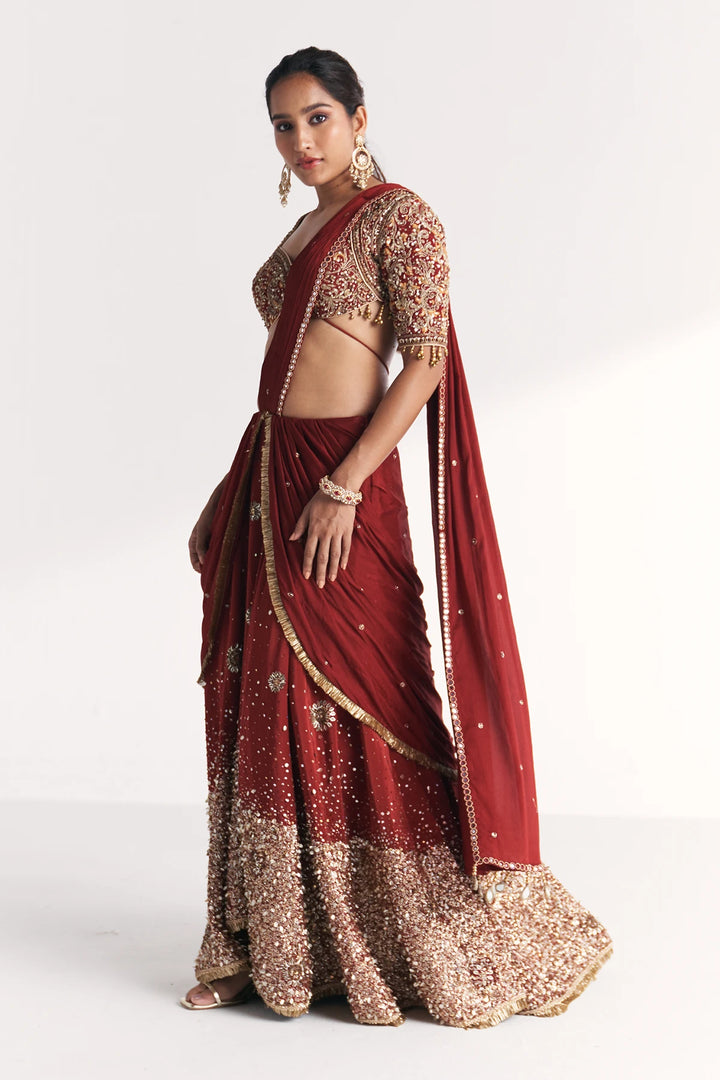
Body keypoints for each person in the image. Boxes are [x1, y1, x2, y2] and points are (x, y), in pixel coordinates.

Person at [179, 46, 613, 1028]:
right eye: (285, 125)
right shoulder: (302, 231)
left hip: (343, 482)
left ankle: (402, 933)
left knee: (378, 700)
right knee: (266, 706)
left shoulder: (401, 219)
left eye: (319, 117)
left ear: (360, 118)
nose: (303, 139)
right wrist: (241, 481)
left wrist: (343, 482)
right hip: (270, 478)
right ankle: (269, 942)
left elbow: (420, 364)